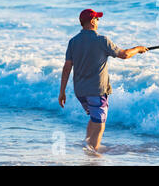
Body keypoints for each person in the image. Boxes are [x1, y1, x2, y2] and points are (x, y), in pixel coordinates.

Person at [58, 9, 148, 153]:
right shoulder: (102, 40)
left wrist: (62, 92)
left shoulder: (73, 41)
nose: (99, 22)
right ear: (92, 21)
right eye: (97, 19)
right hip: (96, 91)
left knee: (94, 119)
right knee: (100, 124)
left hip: (80, 92)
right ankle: (93, 156)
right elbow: (124, 54)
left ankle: (87, 146)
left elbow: (67, 67)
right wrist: (138, 49)